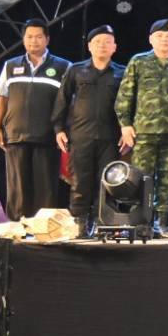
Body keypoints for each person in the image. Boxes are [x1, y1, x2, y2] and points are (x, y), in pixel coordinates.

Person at [114, 18, 168, 235]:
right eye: (159, 36)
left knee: (167, 180)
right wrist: (125, 125)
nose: (164, 40)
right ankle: (140, 222)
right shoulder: (139, 62)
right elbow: (124, 96)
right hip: (144, 132)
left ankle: (161, 223)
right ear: (151, 39)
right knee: (141, 178)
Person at [0, 18, 72, 219]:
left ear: (47, 39)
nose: (33, 41)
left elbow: (70, 102)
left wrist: (63, 130)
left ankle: (43, 230)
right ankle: (18, 230)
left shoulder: (64, 66)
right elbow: (1, 98)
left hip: (48, 136)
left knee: (46, 189)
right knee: (17, 190)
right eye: (29, 37)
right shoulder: (10, 65)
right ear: (23, 39)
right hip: (15, 135)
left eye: (38, 37)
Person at [52, 24, 123, 230]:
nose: (102, 45)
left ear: (114, 47)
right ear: (89, 46)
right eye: (98, 42)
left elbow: (130, 104)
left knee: (108, 182)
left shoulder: (122, 72)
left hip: (111, 137)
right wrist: (58, 129)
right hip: (81, 135)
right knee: (80, 182)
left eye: (107, 42)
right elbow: (62, 100)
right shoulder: (76, 70)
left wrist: (127, 131)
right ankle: (80, 225)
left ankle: (103, 225)